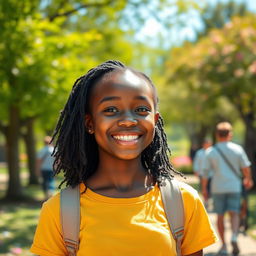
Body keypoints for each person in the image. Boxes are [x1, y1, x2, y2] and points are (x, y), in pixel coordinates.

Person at [31, 60, 217, 256]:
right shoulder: (59, 211)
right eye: (111, 109)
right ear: (89, 123)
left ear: (154, 121)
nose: (129, 120)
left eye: (141, 110)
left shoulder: (183, 201)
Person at [202, 122, 253, 256]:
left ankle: (224, 245)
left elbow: (205, 173)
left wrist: (204, 190)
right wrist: (248, 179)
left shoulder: (211, 152)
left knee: (220, 216)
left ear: (217, 135)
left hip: (217, 188)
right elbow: (246, 167)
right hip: (234, 186)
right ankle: (235, 237)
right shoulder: (237, 149)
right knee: (234, 213)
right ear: (230, 134)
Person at [193, 139, 212, 209]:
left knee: (209, 188)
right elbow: (196, 162)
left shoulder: (212, 152)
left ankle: (208, 199)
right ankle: (206, 200)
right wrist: (196, 170)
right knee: (203, 187)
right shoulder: (199, 153)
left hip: (211, 174)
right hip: (202, 173)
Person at [36, 136, 55, 200]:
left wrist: (37, 169)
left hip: (44, 168)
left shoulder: (42, 150)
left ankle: (46, 193)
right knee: (51, 180)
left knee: (44, 181)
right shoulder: (54, 150)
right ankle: (50, 191)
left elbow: (39, 161)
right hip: (52, 168)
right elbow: (58, 161)